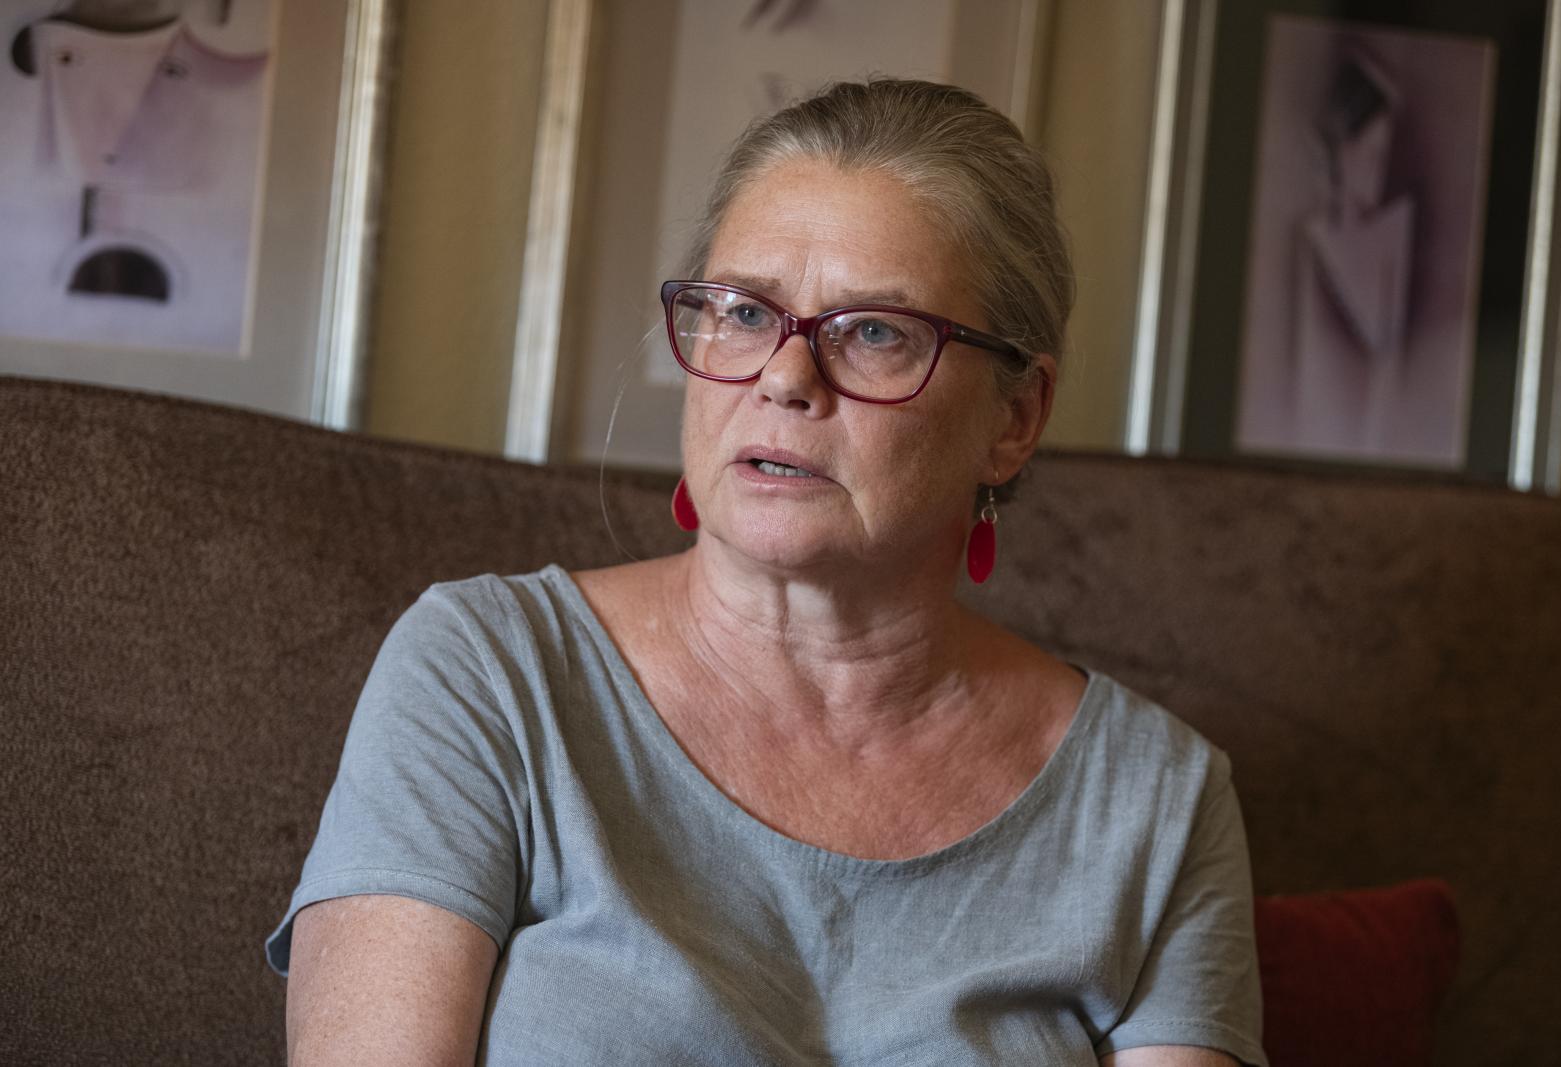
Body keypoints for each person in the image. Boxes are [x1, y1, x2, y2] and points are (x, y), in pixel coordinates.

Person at [266, 78, 1266, 1066]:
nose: (785, 377)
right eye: (745, 313)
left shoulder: (1157, 801)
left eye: (873, 332)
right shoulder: (487, 674)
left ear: (1014, 418)